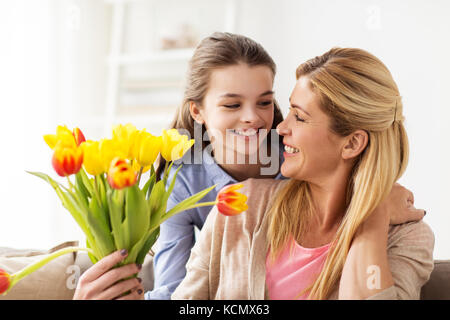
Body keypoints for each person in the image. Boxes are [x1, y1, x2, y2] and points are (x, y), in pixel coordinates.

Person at [171, 47, 434, 300]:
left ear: (352, 143)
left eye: (300, 117)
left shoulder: (406, 237)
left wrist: (372, 214)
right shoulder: (241, 206)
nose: (281, 127)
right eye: (289, 111)